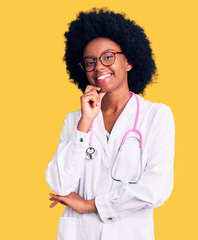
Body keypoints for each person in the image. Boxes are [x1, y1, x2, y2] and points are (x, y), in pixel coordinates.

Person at [45, 8, 175, 240]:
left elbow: (156, 189)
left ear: (129, 62)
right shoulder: (75, 120)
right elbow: (59, 183)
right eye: (90, 61)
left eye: (108, 57)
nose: (99, 67)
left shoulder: (156, 116)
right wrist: (85, 122)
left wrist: (92, 205)